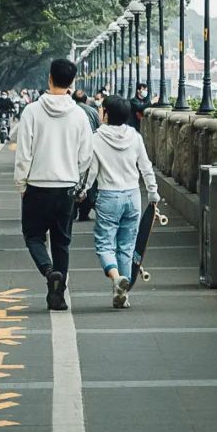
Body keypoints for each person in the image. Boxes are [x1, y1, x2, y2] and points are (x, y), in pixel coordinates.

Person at [14, 57, 93, 311]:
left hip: (37, 185)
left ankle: (49, 272)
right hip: (66, 187)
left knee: (33, 236)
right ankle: (57, 297)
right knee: (62, 242)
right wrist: (75, 177)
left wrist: (21, 184)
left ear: (49, 78)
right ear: (72, 82)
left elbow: (23, 153)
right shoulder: (79, 115)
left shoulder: (32, 111)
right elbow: (86, 156)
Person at [78, 93, 159, 308]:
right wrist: (153, 193)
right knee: (127, 246)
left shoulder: (96, 139)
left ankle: (116, 279)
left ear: (105, 113)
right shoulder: (135, 137)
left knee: (105, 244)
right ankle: (123, 294)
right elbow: (145, 166)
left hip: (108, 196)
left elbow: (91, 171)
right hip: (133, 195)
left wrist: (82, 191)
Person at [72, 89, 100, 221]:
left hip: (71, 152)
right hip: (89, 151)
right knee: (89, 183)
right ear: (86, 100)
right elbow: (98, 130)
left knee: (72, 181)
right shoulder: (93, 111)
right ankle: (84, 212)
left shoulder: (70, 111)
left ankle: (71, 212)